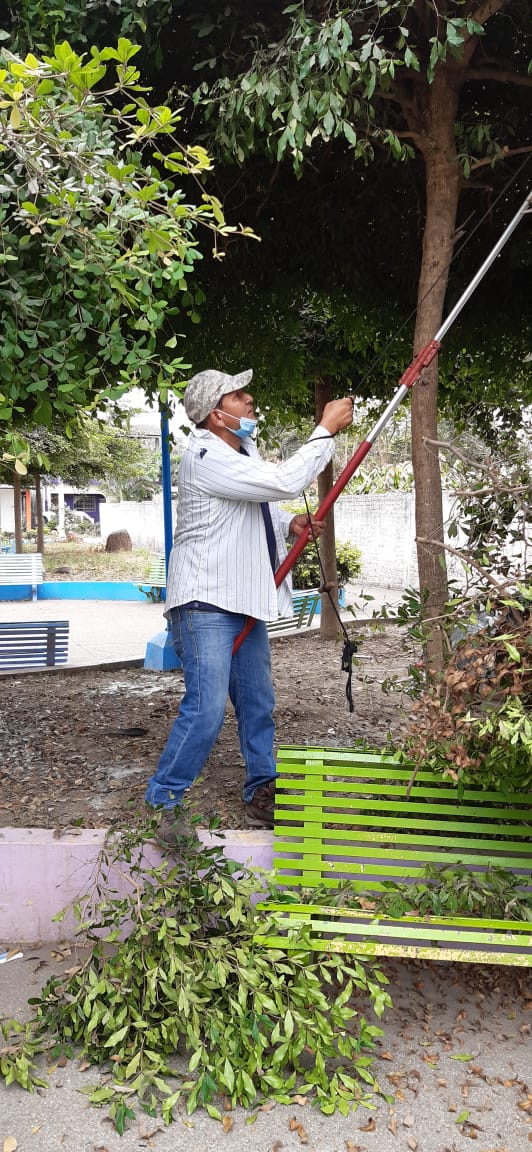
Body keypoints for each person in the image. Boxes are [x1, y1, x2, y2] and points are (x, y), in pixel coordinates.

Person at [145, 367, 354, 844]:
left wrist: (289, 525)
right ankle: (163, 801)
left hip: (243, 597)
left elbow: (254, 506)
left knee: (258, 702)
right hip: (205, 602)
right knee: (206, 708)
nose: (249, 400)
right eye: (238, 396)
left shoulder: (240, 451)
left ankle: (263, 789)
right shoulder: (205, 455)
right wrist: (324, 430)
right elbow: (282, 481)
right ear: (216, 415)